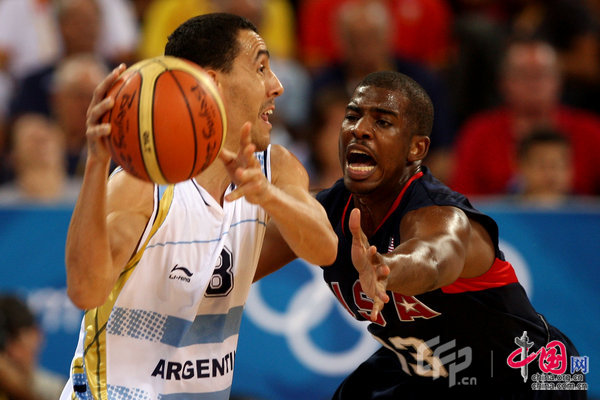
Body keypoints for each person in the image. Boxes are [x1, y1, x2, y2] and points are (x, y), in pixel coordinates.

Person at [255, 71, 586, 397]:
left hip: (532, 375)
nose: (359, 130)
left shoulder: (442, 214)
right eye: (353, 116)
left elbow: (434, 255)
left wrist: (387, 268)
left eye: (382, 122)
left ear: (416, 149)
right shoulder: (325, 212)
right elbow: (241, 265)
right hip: (430, 366)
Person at [59, 13, 337, 400]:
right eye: (260, 68)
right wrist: (96, 163)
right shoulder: (144, 186)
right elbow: (85, 292)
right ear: (211, 82)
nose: (277, 86)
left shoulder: (275, 170)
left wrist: (267, 196)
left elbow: (324, 248)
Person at [450, 37, 600, 197]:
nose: (533, 84)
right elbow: (461, 202)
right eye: (523, 75)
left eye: (541, 74)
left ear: (559, 80)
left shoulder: (591, 132)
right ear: (503, 82)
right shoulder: (479, 133)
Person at [0, 294, 66, 400]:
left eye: (15, 341)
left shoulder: (59, 390)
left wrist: (18, 389)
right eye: (3, 346)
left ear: (37, 334)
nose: (10, 354)